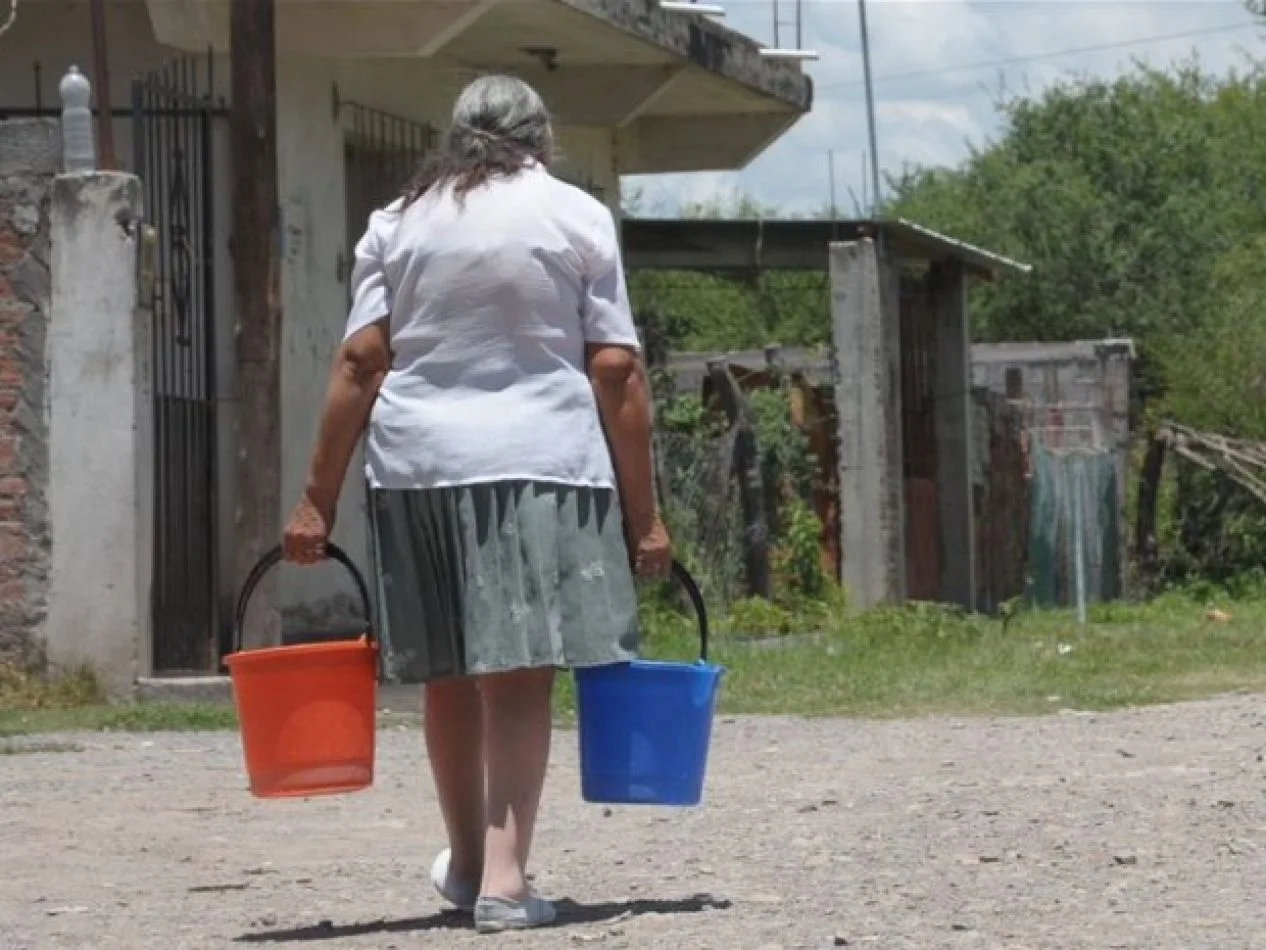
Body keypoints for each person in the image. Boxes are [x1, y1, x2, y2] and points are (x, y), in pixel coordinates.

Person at [282, 74, 671, 934]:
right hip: (538, 460)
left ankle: (464, 865)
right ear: (542, 138)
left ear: (456, 137)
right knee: (519, 669)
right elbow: (615, 369)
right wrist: (645, 516)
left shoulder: (399, 222)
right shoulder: (575, 215)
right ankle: (504, 880)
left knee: (451, 668)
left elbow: (357, 364)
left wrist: (315, 501)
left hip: (418, 464)